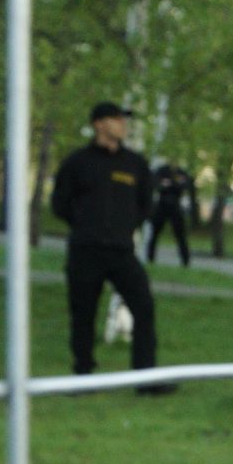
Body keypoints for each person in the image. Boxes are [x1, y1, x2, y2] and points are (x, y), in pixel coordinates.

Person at [49, 101, 173, 394]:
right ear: (99, 124)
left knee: (143, 306)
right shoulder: (78, 162)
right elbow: (60, 204)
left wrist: (126, 225)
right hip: (85, 250)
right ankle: (83, 377)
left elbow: (145, 204)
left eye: (124, 120)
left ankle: (144, 378)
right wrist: (85, 225)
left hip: (121, 251)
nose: (123, 125)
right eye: (117, 119)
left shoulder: (134, 164)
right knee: (83, 314)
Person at [148, 162, 195, 267]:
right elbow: (157, 184)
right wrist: (174, 184)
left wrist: (170, 184)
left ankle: (185, 261)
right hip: (162, 205)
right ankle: (150, 258)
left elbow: (184, 185)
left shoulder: (181, 172)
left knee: (181, 235)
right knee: (154, 234)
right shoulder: (161, 170)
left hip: (176, 207)